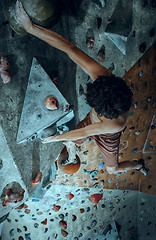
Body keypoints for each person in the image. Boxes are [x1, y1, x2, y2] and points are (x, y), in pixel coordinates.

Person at [15, 0, 143, 174]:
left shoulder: (115, 124)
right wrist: (31, 28)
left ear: (105, 113)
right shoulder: (104, 77)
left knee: (112, 170)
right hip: (94, 121)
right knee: (69, 141)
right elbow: (69, 48)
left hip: (108, 137)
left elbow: (83, 131)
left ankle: (137, 164)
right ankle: (71, 154)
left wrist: (55, 138)